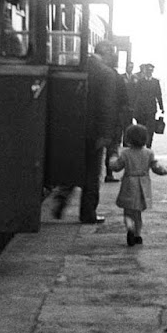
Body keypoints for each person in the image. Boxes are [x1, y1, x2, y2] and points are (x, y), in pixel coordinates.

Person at [71, 40, 127, 224]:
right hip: (94, 132)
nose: (113, 56)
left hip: (75, 128)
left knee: (74, 167)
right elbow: (107, 107)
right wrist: (106, 134)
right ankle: (88, 213)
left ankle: (64, 194)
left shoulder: (81, 65)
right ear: (107, 52)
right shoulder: (107, 73)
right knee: (92, 174)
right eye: (112, 52)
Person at [108, 123, 167, 247]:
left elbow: (116, 167)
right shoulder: (149, 153)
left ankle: (129, 227)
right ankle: (138, 234)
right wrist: (165, 169)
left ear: (128, 139)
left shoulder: (126, 153)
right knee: (138, 213)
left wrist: (112, 158)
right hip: (143, 185)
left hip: (129, 184)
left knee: (128, 211)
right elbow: (156, 167)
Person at [131, 62, 164, 145]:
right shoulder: (140, 81)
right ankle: (141, 143)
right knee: (141, 127)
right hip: (140, 109)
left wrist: (161, 107)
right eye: (147, 71)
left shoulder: (156, 82)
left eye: (150, 71)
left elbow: (158, 95)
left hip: (151, 109)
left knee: (150, 128)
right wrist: (133, 106)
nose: (149, 72)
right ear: (145, 71)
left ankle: (149, 144)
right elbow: (135, 94)